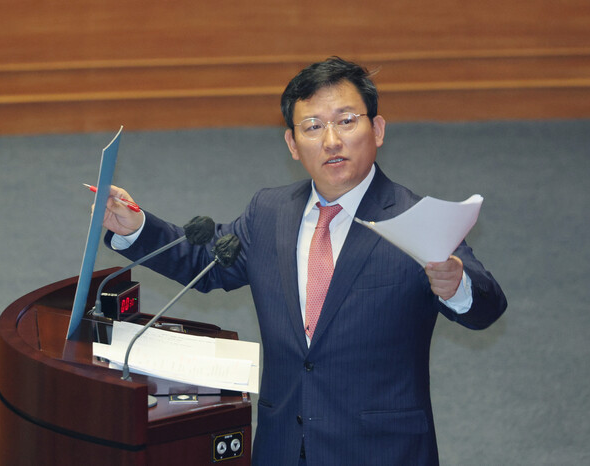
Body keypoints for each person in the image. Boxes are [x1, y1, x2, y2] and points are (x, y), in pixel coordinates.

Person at [100, 57, 507, 466]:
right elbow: (204, 261)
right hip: (284, 446)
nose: (331, 140)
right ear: (293, 145)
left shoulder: (414, 217)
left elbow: (487, 305)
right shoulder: (269, 212)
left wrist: (456, 285)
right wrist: (137, 227)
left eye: (346, 121)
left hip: (382, 450)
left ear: (378, 129)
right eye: (313, 126)